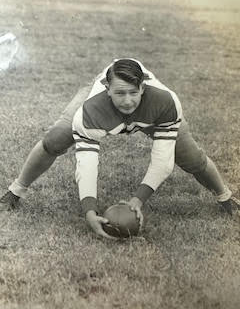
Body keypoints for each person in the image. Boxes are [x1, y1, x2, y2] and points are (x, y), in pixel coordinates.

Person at [1, 58, 239, 239]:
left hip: (153, 116)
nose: (127, 101)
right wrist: (89, 210)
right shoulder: (92, 109)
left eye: (133, 93)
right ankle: (15, 191)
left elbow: (162, 163)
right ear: (107, 89)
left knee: (192, 159)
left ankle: (225, 196)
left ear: (143, 89)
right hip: (99, 107)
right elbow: (87, 164)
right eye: (119, 93)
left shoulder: (165, 102)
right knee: (54, 140)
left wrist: (138, 200)